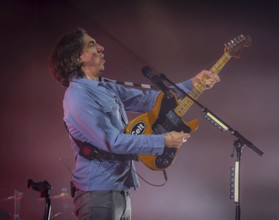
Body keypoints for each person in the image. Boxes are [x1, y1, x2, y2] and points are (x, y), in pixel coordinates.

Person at [49, 28, 219, 220]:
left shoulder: (105, 86)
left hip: (119, 188)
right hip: (98, 192)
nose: (101, 47)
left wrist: (192, 83)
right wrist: (162, 141)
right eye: (92, 44)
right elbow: (112, 141)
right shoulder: (78, 96)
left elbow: (151, 101)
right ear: (77, 57)